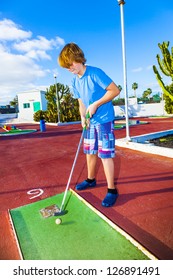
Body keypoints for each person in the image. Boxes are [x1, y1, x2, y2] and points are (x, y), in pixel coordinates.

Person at [58, 42, 120, 207]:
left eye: (70, 64)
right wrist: (82, 118)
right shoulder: (74, 82)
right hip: (90, 122)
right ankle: (91, 180)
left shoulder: (95, 73)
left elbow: (115, 90)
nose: (69, 68)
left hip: (104, 120)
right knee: (89, 152)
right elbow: (81, 103)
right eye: (66, 67)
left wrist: (96, 104)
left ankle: (112, 190)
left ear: (78, 58)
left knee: (105, 155)